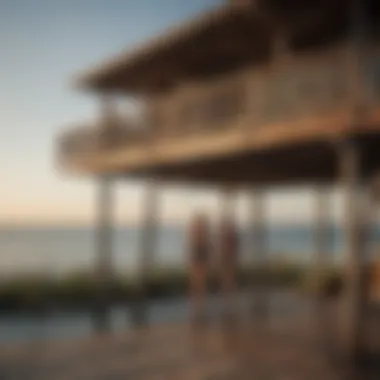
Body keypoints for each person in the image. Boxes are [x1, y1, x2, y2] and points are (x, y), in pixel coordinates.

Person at [188, 213, 211, 327]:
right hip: (197, 261)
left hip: (200, 261)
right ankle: (198, 311)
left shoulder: (201, 238)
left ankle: (199, 311)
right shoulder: (198, 237)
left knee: (200, 287)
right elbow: (193, 253)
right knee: (197, 287)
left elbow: (204, 253)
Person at [219, 215, 239, 323]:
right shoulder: (227, 237)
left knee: (229, 283)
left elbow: (233, 249)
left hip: (229, 261)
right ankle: (229, 307)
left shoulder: (230, 237)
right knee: (228, 283)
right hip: (227, 261)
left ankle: (230, 307)